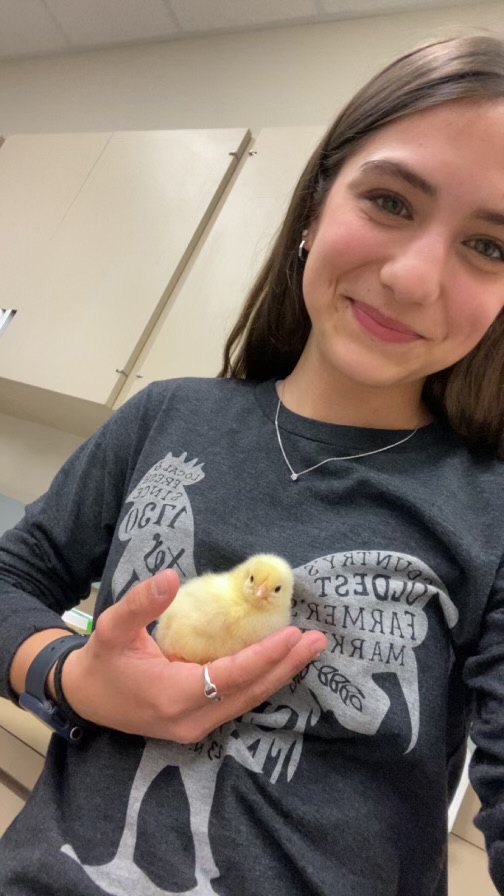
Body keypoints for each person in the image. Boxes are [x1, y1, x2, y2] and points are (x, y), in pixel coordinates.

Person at [1, 32, 504, 896]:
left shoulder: (490, 509)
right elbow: (12, 577)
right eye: (389, 201)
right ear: (314, 208)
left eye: (491, 247)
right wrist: (68, 673)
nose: (414, 278)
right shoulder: (167, 415)